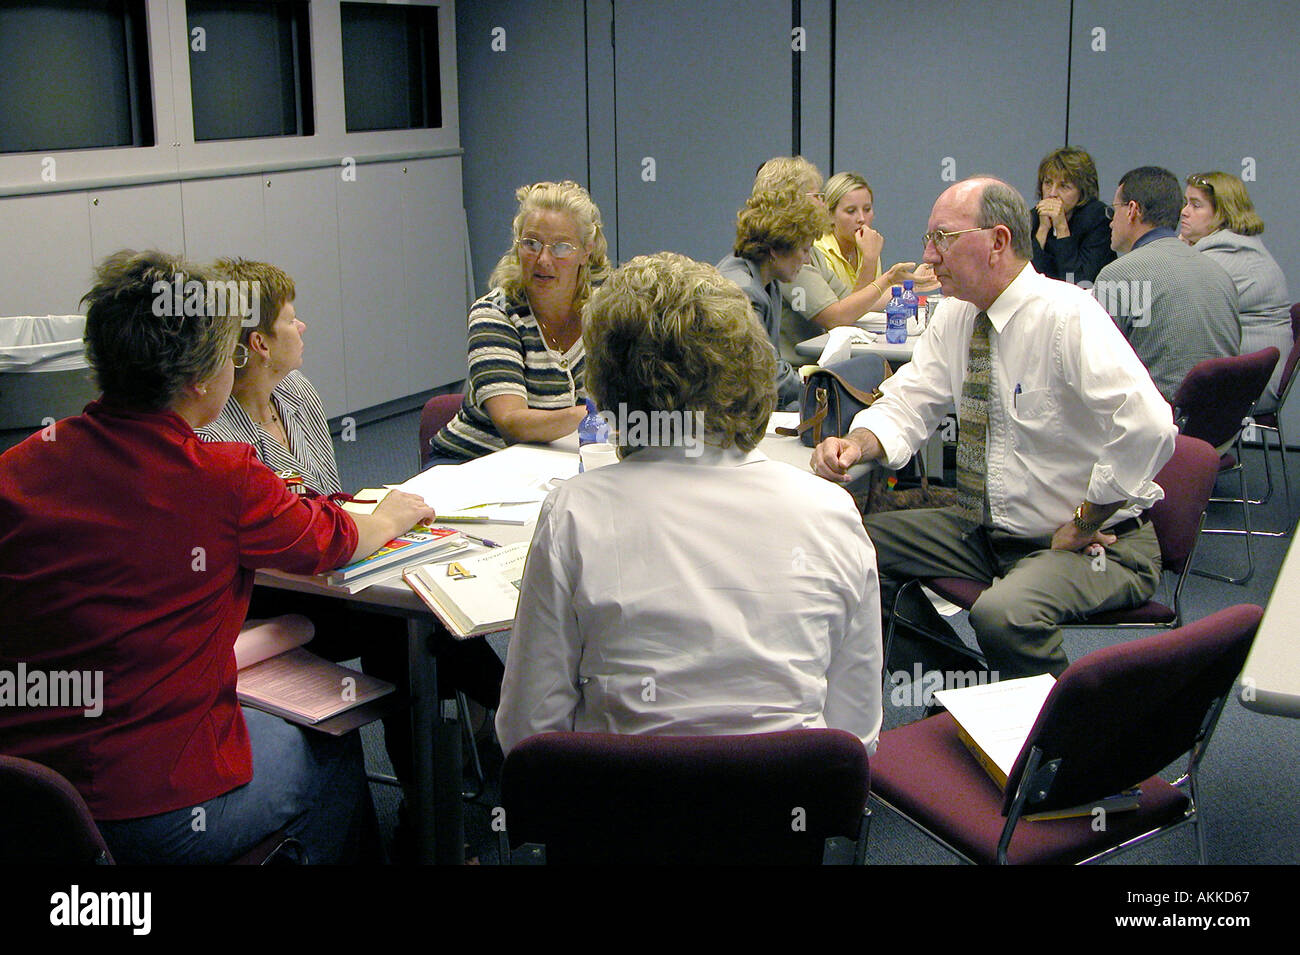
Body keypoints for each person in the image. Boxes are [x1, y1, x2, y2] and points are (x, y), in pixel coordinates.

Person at [0, 250, 435, 863]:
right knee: (330, 748)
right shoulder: (224, 478)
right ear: (202, 381)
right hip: (154, 807)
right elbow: (331, 540)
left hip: (29, 795)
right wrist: (392, 514)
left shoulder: (18, 467)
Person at [497, 252, 882, 754]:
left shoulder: (574, 512)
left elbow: (528, 734)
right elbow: (856, 737)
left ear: (607, 384)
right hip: (785, 819)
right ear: (749, 366)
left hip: (617, 818)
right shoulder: (830, 511)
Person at [812, 178, 1177, 680]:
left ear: (998, 242)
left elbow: (1150, 424)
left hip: (1091, 542)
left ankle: (1057, 746)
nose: (928, 256)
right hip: (987, 529)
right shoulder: (958, 314)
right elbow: (911, 400)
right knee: (845, 550)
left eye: (942, 238)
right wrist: (856, 443)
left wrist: (1089, 517)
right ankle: (958, 686)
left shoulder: (1066, 315)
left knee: (1003, 614)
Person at [429, 180, 611, 462]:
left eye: (561, 247)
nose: (543, 259)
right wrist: (597, 414)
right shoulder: (495, 313)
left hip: (557, 460)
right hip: (473, 463)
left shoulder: (605, 313)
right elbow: (512, 423)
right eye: (531, 244)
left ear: (586, 251)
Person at [1094, 166, 1240, 405]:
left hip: (1154, 425)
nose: (1110, 222)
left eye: (1113, 210)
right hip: (1218, 426)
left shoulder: (1117, 275)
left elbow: (1097, 372)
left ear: (1132, 210)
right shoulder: (1219, 273)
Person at [196, 258, 339, 494]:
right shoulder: (212, 442)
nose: (302, 326)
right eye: (291, 320)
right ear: (260, 344)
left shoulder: (296, 387)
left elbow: (334, 498)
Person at [779, 171, 936, 365]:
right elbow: (847, 313)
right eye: (851, 211)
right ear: (829, 215)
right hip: (809, 361)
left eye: (867, 209)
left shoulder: (864, 244)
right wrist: (871, 261)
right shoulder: (815, 250)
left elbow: (864, 301)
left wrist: (911, 286)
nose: (861, 218)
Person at [1180, 171, 1292, 412]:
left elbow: (1177, 312)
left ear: (1222, 213)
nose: (1184, 211)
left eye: (1196, 205)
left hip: (1250, 386)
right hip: (1247, 376)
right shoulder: (1232, 248)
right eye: (1185, 202)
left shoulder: (1229, 255)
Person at [717, 187, 829, 407]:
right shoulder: (743, 293)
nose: (807, 261)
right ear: (776, 250)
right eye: (804, 250)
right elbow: (767, 376)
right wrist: (824, 391)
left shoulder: (768, 282)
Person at [1029, 146, 1116, 284]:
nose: (1052, 193)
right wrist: (1042, 230)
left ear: (1082, 191)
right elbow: (1025, 281)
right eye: (1048, 183)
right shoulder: (1034, 217)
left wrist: (1062, 228)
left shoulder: (1098, 220)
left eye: (1064, 186)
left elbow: (1081, 282)